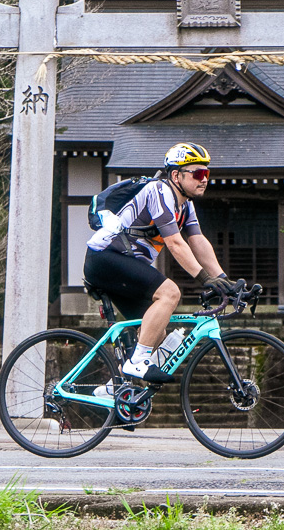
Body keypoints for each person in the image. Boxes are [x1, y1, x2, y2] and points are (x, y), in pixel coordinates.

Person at [83, 142, 237, 383]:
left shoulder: (185, 205)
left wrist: (223, 280)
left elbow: (197, 241)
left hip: (123, 263)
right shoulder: (159, 191)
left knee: (157, 330)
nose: (204, 179)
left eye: (206, 174)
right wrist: (205, 279)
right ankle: (136, 363)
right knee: (170, 293)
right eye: (198, 174)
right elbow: (175, 243)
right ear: (176, 175)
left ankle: (116, 388)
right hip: (106, 257)